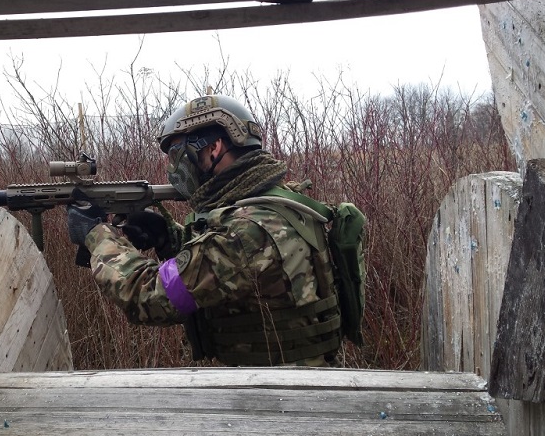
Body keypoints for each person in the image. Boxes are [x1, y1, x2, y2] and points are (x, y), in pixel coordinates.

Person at [67, 94, 342, 367]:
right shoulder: (279, 203)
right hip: (297, 375)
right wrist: (169, 238)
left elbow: (151, 296)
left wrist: (98, 236)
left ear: (213, 148)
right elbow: (229, 267)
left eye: (177, 154)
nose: (174, 168)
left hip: (276, 388)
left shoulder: (244, 232)